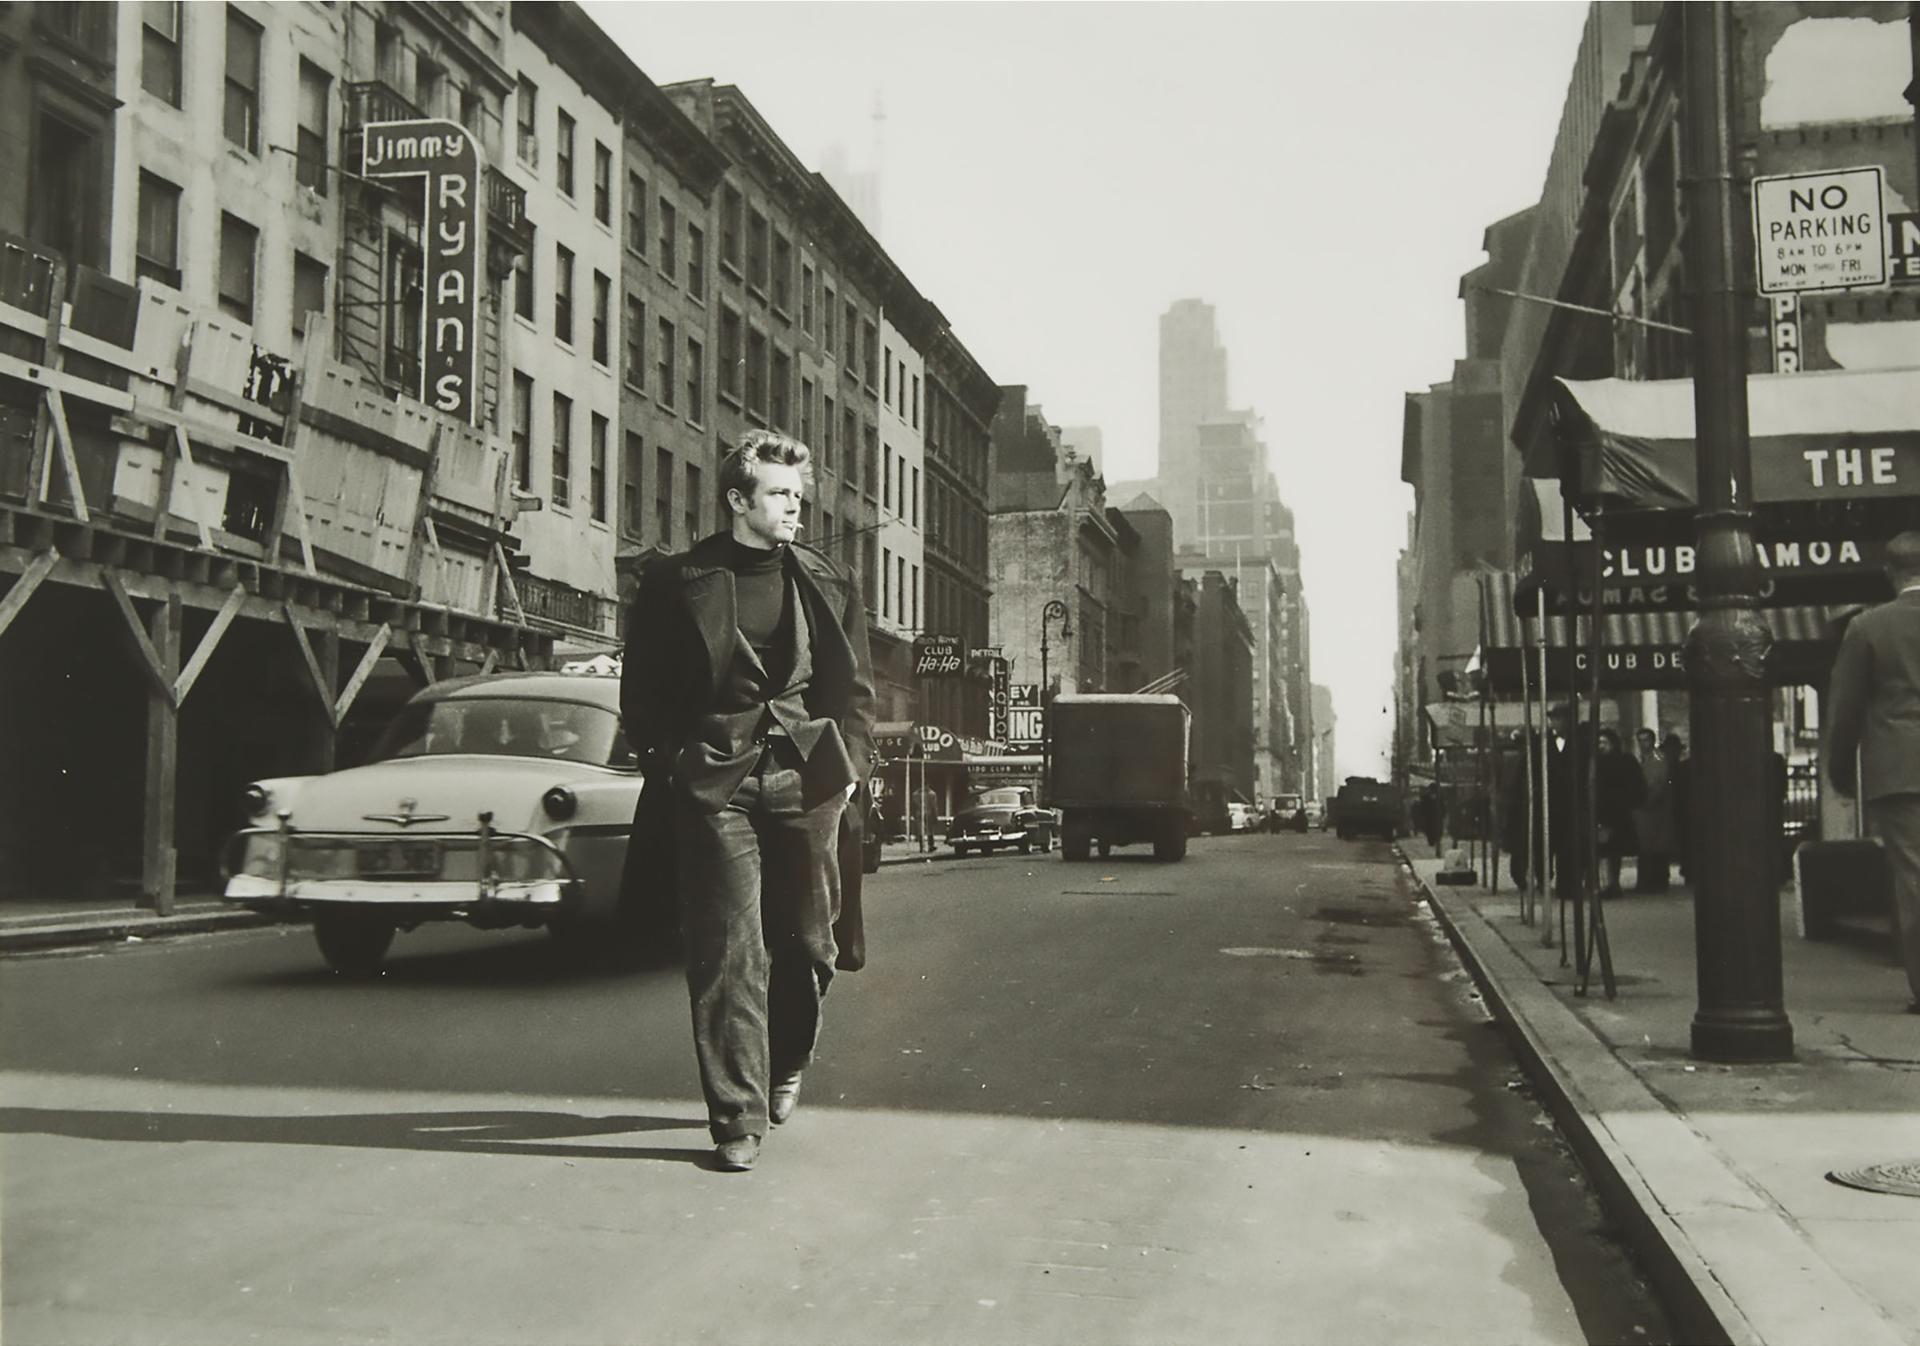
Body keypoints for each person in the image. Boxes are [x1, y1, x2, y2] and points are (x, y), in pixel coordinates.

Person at [621, 430, 876, 1170]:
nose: (794, 507)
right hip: (714, 780)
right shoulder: (678, 581)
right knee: (727, 950)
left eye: (798, 495)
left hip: (807, 776)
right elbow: (642, 693)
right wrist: (671, 762)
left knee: (808, 941)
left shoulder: (828, 579)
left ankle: (786, 1060)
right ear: (739, 499)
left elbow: (851, 688)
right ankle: (737, 1117)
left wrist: (853, 764)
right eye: (778, 494)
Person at [1822, 530, 1920, 1014]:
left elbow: (1845, 709)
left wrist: (1839, 770)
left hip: (1901, 770)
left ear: (1890, 572)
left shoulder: (1868, 627)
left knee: (1914, 876)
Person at [1593, 727, 1645, 897]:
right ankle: (1607, 884)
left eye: (1604, 742)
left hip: (1617, 812)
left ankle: (1612, 883)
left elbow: (1636, 784)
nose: (1601, 746)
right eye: (1599, 743)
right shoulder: (1596, 762)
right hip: (1603, 811)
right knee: (1604, 850)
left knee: (1613, 850)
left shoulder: (1624, 761)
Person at [1631, 727, 1674, 893]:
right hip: (1647, 809)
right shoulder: (1644, 759)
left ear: (1652, 740)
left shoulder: (1657, 759)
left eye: (1646, 740)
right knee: (1648, 846)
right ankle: (1651, 880)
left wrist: (1645, 801)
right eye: (1640, 740)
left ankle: (1655, 881)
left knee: (1655, 846)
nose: (1643, 744)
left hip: (1654, 809)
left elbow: (1657, 783)